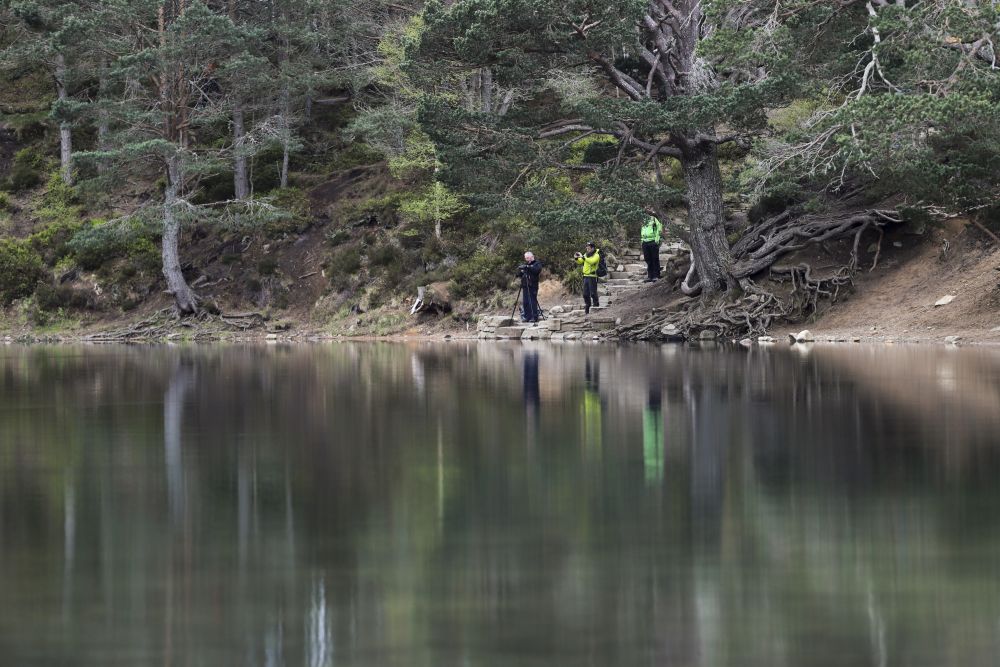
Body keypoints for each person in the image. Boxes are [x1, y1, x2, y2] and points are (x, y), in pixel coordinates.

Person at [574, 242, 601, 314]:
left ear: (592, 248)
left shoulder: (596, 255)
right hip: (585, 276)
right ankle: (587, 307)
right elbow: (581, 261)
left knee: (593, 293)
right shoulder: (586, 255)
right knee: (585, 294)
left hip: (592, 276)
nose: (587, 249)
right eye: (587, 247)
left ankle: (596, 306)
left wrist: (583, 257)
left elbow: (592, 262)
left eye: (588, 248)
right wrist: (576, 258)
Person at [518, 251, 543, 323]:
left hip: (533, 285)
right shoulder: (526, 264)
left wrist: (528, 267)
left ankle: (534, 317)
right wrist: (520, 271)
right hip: (525, 285)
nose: (527, 259)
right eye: (526, 258)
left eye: (528, 258)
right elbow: (520, 274)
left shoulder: (537, 263)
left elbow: (536, 271)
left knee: (532, 301)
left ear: (532, 256)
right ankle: (526, 317)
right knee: (525, 302)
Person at [640, 214, 663, 282]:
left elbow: (659, 228)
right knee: (647, 259)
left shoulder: (653, 218)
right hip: (645, 242)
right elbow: (642, 230)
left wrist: (657, 239)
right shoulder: (643, 219)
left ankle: (656, 275)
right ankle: (650, 276)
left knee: (655, 258)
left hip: (653, 241)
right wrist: (642, 241)